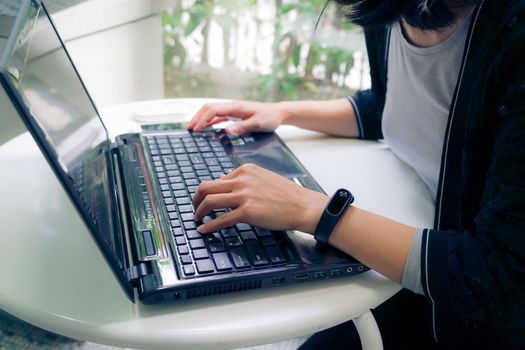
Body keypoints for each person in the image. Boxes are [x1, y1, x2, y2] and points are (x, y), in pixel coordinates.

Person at [188, 0, 525, 348]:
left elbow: (504, 279)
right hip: (423, 266)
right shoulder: (392, 11)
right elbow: (396, 104)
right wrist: (283, 112)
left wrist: (312, 211)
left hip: (470, 312)